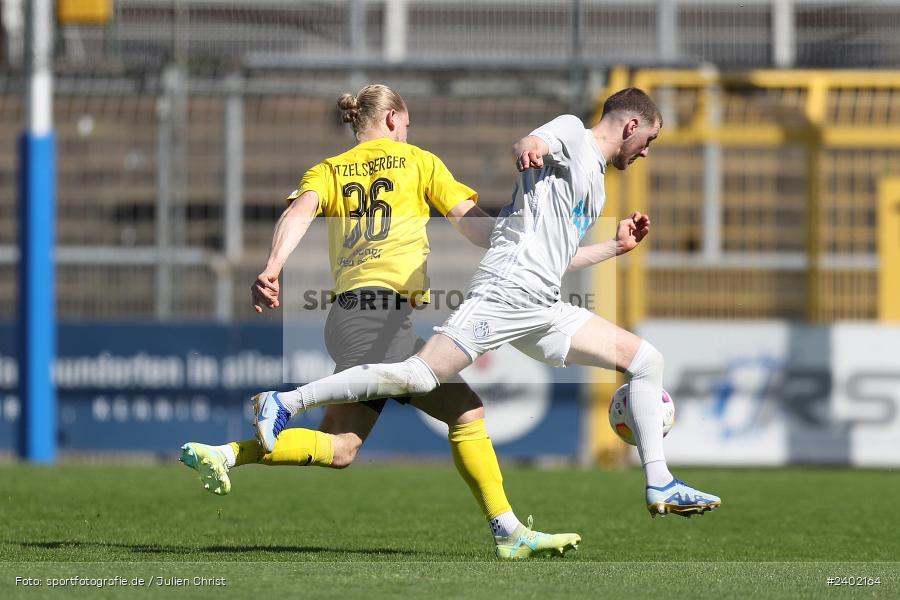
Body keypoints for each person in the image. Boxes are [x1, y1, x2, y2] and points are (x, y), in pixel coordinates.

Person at [255, 88, 722, 518]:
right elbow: (529, 144)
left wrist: (613, 248)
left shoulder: (595, 182)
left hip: (542, 303)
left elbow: (548, 253)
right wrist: (530, 148)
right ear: (631, 126)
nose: (647, 152)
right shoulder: (572, 134)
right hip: (507, 289)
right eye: (651, 140)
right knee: (420, 376)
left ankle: (659, 482)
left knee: (644, 359)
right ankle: (288, 400)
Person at [179, 84, 581, 558]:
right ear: (393, 119)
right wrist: (528, 233)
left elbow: (297, 213)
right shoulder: (419, 162)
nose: (408, 132)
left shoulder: (329, 169)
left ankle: (224, 454)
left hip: (349, 317)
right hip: (382, 317)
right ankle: (508, 532)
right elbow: (474, 227)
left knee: (341, 448)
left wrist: (271, 268)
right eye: (407, 124)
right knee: (466, 411)